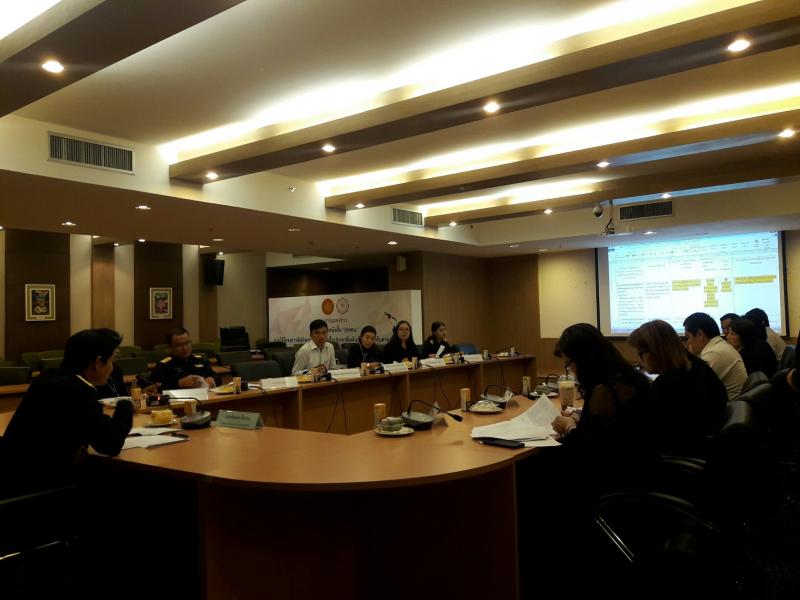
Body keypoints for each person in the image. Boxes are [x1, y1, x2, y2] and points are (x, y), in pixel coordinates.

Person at [0, 329, 134, 497]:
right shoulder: (78, 391)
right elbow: (110, 444)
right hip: (36, 490)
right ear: (98, 362)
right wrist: (125, 406)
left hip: (10, 478)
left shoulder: (46, 379)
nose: (113, 368)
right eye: (112, 361)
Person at [628, 320, 727, 457]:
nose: (640, 360)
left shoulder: (670, 383)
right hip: (702, 443)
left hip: (682, 453)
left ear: (655, 352)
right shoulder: (693, 365)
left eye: (641, 354)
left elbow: (646, 428)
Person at [683, 312, 747, 400]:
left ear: (700, 334)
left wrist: (691, 357)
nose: (688, 343)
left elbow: (690, 387)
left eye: (688, 337)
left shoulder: (715, 353)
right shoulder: (719, 346)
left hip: (728, 406)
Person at [150, 328, 216, 389]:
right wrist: (179, 384)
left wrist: (212, 380)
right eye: (179, 345)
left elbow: (216, 377)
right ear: (170, 347)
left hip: (203, 396)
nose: (184, 348)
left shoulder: (199, 360)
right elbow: (155, 389)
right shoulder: (163, 366)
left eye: (187, 343)